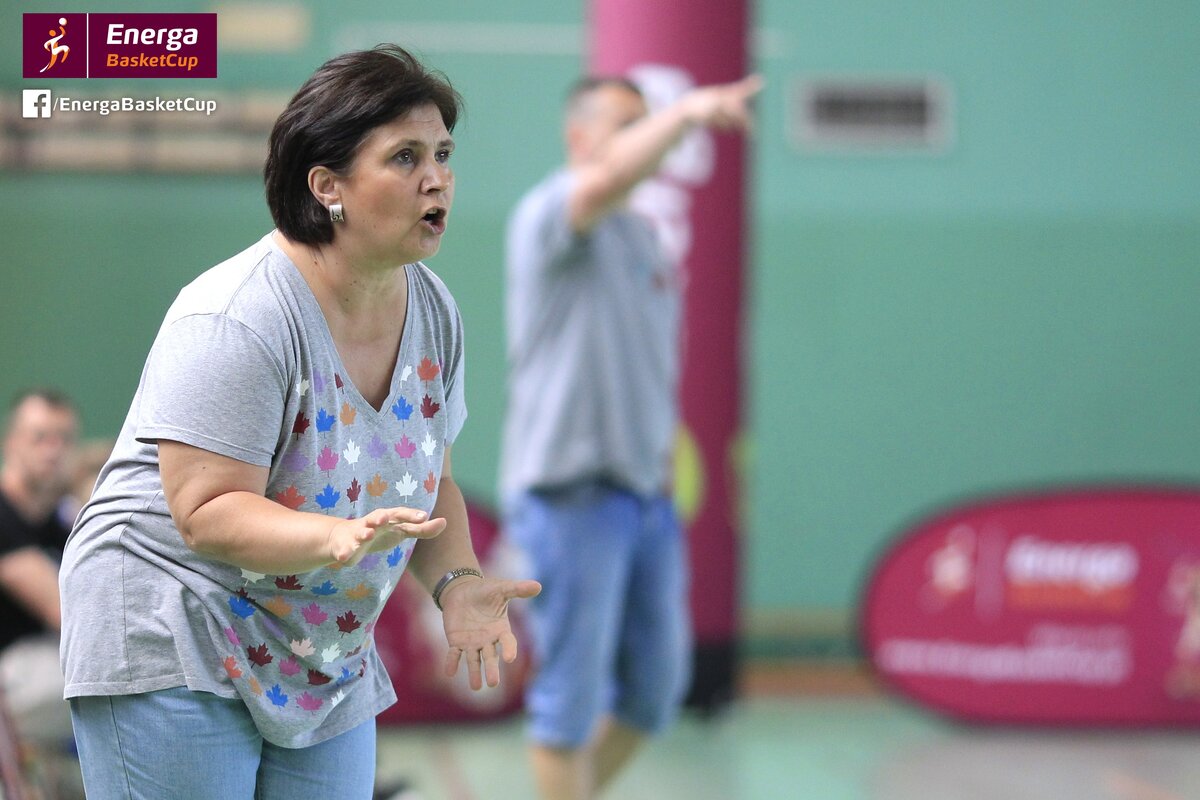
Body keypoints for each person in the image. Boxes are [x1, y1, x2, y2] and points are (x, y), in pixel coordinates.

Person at [59, 44, 540, 800]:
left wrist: (457, 583)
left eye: (443, 154)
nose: (437, 177)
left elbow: (431, 483)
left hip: (320, 646)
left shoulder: (434, 311)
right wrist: (333, 538)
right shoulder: (237, 317)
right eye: (405, 157)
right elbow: (206, 511)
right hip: (175, 623)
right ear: (327, 187)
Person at [499, 73, 761, 799]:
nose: (650, 137)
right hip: (569, 498)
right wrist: (690, 112)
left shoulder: (644, 236)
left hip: (645, 499)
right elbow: (608, 179)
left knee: (655, 691)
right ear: (578, 137)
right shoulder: (551, 212)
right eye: (627, 124)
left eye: (649, 122)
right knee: (569, 701)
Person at [0, 388, 84, 798]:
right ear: (11, 442)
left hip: (42, 670)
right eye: (39, 437)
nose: (52, 451)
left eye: (63, 439)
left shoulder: (60, 522)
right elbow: (66, 614)